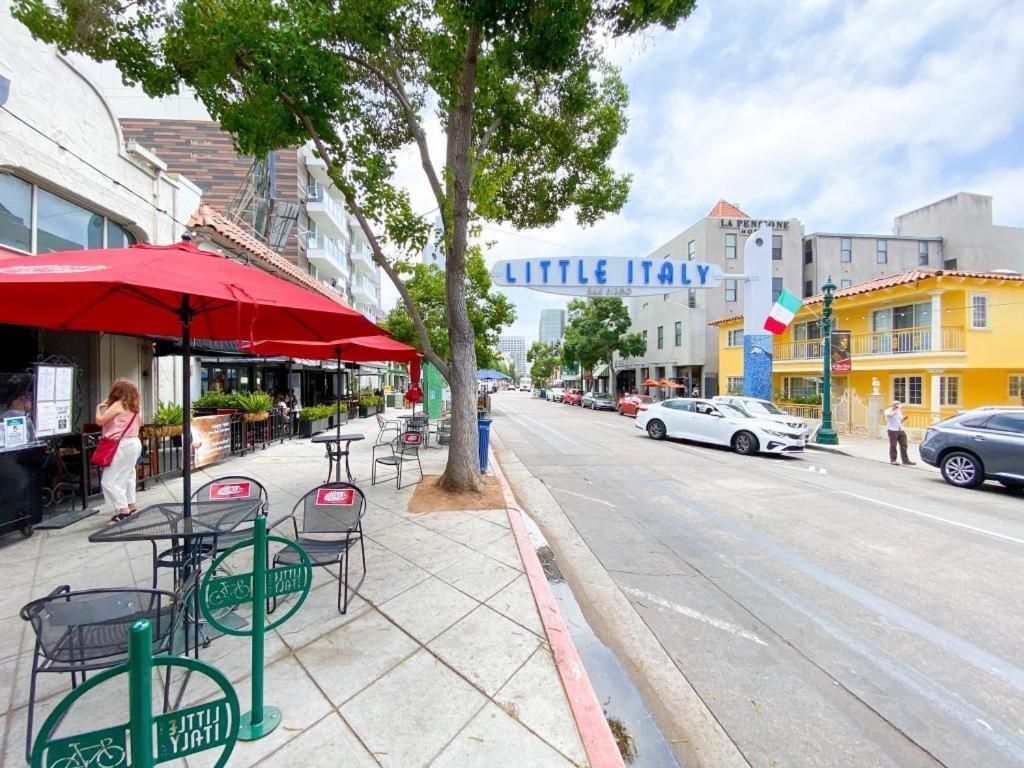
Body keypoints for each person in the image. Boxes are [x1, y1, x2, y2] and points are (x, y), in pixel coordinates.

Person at [95, 378, 143, 524]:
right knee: (128, 476)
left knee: (109, 481)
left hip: (121, 445)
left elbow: (100, 421)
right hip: (134, 442)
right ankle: (131, 506)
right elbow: (141, 423)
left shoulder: (119, 405)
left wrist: (98, 408)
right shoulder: (136, 406)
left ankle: (124, 511)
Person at [883, 400, 915, 465]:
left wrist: (904, 419)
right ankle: (893, 460)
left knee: (904, 445)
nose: (899, 408)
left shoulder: (899, 411)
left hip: (901, 429)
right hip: (892, 430)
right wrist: (897, 409)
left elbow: (900, 420)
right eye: (897, 406)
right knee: (893, 445)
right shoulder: (887, 411)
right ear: (894, 405)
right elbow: (891, 415)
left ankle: (905, 460)